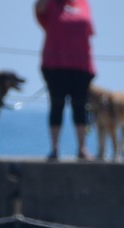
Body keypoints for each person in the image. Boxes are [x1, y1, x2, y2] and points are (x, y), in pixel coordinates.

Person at [34, 0, 95, 161]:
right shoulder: (50, 4)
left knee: (80, 107)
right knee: (56, 105)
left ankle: (82, 148)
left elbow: (90, 31)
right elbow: (38, 10)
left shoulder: (83, 4)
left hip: (81, 66)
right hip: (55, 65)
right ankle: (54, 149)